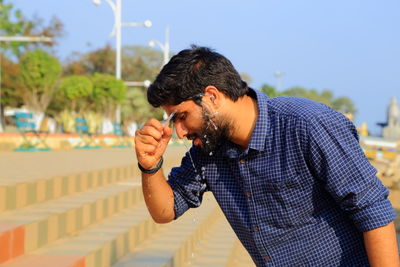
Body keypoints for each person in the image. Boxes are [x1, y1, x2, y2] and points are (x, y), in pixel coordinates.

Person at [134, 46, 399, 266]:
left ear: (211, 97)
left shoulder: (307, 125)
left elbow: (373, 213)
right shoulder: (207, 151)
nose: (179, 132)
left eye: (182, 117)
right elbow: (166, 210)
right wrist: (150, 166)